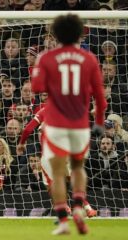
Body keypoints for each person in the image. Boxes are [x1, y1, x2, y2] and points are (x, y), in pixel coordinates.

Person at [31, 14, 107, 235]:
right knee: (77, 168)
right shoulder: (90, 59)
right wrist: (99, 122)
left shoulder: (47, 57)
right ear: (79, 33)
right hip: (79, 123)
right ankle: (78, 205)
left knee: (56, 172)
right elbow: (101, 99)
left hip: (55, 123)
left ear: (56, 34)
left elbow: (36, 87)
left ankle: (63, 221)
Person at [16, 107, 97, 218]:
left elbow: (27, 130)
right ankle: (88, 208)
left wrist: (21, 143)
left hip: (49, 156)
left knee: (50, 184)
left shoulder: (44, 111)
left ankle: (63, 206)